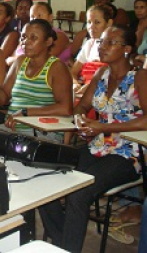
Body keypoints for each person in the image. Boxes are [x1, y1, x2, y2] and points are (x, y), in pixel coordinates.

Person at [39, 25, 147, 253]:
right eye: (101, 42)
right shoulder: (101, 74)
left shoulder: (140, 77)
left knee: (79, 193)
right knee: (45, 180)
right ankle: (62, 244)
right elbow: (82, 106)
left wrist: (103, 126)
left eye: (110, 43)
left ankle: (66, 247)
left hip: (129, 152)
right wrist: (80, 121)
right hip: (98, 145)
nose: (102, 47)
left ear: (127, 49)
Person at [0, 19, 73, 143]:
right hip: (13, 130)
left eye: (33, 38)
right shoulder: (20, 62)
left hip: (42, 133)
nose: (25, 42)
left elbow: (65, 108)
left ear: (48, 42)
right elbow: (4, 92)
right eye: (23, 37)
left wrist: (26, 112)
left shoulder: (56, 68)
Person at [71, 5, 113, 96]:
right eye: (89, 22)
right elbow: (73, 72)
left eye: (97, 22)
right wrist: (75, 84)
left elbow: (116, 76)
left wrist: (92, 86)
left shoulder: (115, 46)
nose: (91, 27)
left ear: (109, 23)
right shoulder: (89, 44)